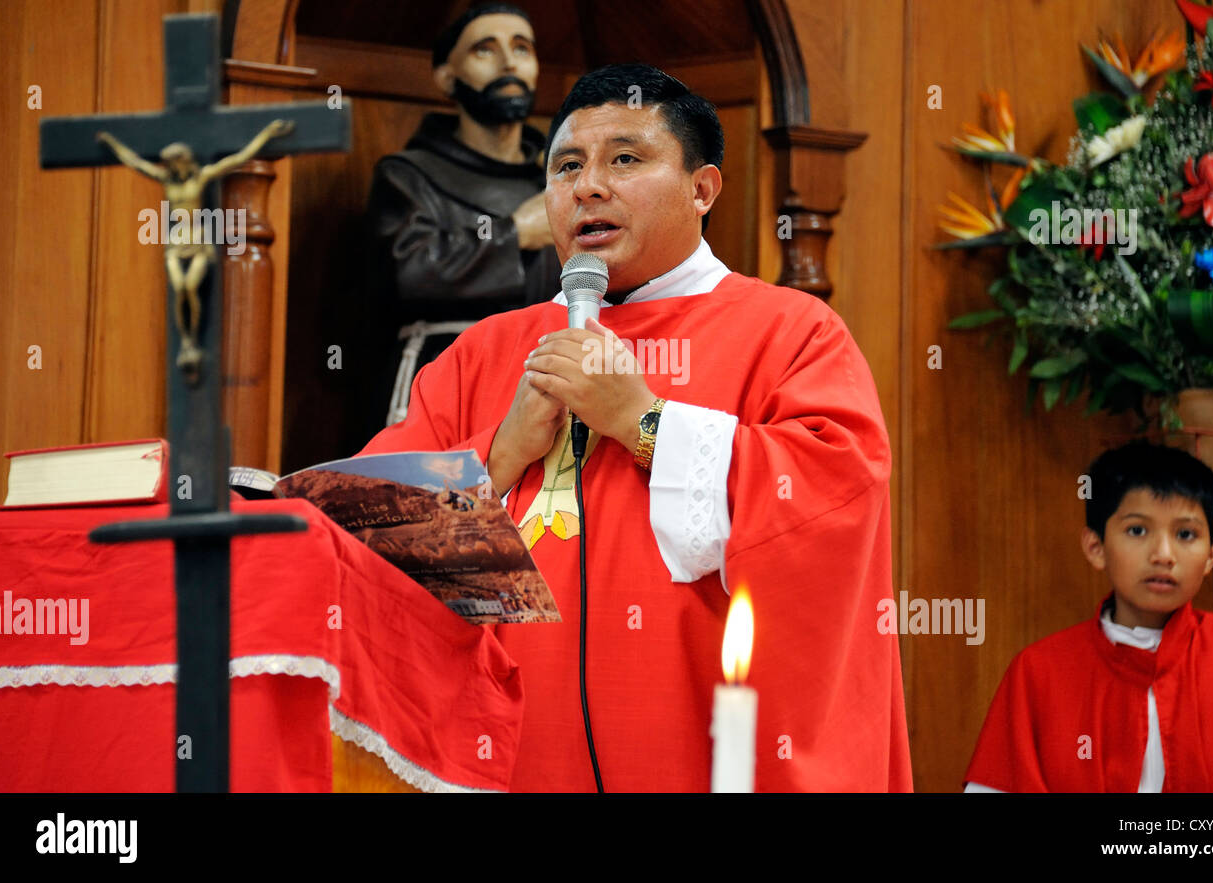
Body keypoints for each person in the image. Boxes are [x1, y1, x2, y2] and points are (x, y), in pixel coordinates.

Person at [360, 63, 911, 792]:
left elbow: (832, 509)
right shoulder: (483, 352)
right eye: (566, 166)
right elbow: (366, 541)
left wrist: (641, 419)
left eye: (625, 158)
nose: (588, 185)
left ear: (701, 188)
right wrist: (501, 453)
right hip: (510, 762)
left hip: (699, 756)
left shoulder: (791, 333)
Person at [964, 440, 1213, 793]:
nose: (1164, 554)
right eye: (1137, 530)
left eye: (1185, 534)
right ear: (1096, 547)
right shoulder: (1037, 674)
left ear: (1211, 553)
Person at [366, 2, 560, 425]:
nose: (509, 62)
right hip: (443, 379)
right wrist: (515, 234)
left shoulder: (557, 176)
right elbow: (408, 271)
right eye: (485, 50)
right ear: (446, 78)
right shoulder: (409, 175)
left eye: (522, 48)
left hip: (544, 381)